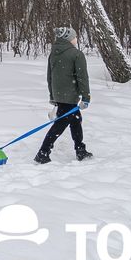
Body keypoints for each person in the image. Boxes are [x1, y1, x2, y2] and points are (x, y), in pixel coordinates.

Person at [34, 26, 93, 164]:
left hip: (59, 94)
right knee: (60, 124)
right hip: (70, 96)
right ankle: (43, 152)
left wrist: (53, 95)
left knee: (75, 120)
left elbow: (50, 76)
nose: (76, 39)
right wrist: (85, 97)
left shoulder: (54, 53)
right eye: (75, 37)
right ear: (69, 39)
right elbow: (82, 78)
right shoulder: (76, 54)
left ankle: (80, 150)